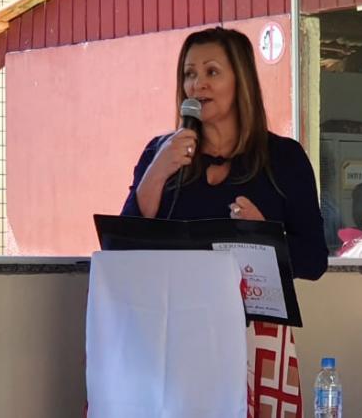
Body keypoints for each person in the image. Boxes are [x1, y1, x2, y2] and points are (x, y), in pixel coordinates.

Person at [120, 26, 328, 416]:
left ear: (241, 81)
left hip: (253, 337)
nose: (197, 84)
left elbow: (315, 260)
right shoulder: (160, 153)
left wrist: (265, 235)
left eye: (211, 72)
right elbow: (124, 246)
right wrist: (158, 171)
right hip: (171, 335)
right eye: (189, 74)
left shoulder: (284, 159)